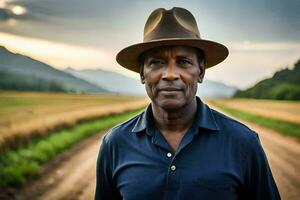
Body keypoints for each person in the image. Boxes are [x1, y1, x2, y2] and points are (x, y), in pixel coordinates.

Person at [94, 7, 281, 200]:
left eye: (183, 62)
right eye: (156, 63)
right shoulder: (115, 144)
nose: (170, 74)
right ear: (142, 74)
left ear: (201, 71)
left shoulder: (243, 142)